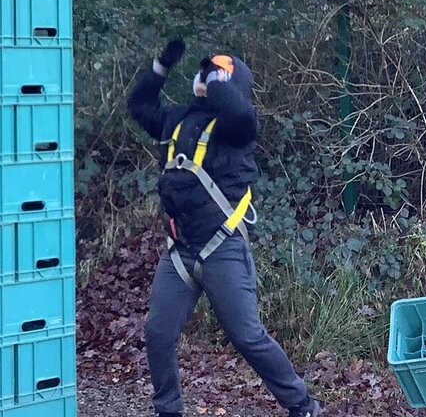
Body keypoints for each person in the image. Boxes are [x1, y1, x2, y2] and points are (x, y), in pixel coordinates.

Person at [128, 38, 324, 417]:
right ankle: (167, 409)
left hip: (223, 247)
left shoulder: (235, 130)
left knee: (248, 336)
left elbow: (241, 113)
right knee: (158, 332)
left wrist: (218, 79)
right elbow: (139, 106)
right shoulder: (178, 119)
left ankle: (302, 405)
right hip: (181, 249)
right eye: (204, 74)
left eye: (213, 75)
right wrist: (159, 68)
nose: (204, 79)